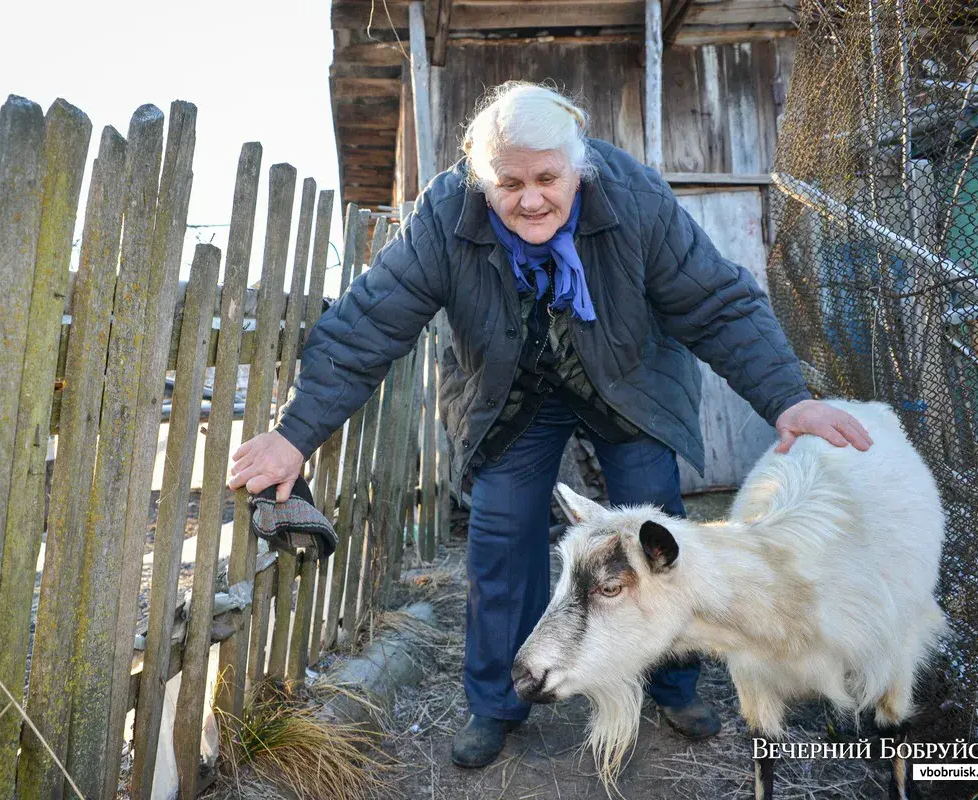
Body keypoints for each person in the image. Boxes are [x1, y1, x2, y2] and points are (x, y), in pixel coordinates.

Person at [228, 82, 873, 768]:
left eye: (547, 178)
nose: (530, 198)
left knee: (653, 532)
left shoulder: (634, 198)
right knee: (500, 538)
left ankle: (671, 682)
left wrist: (786, 398)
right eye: (509, 182)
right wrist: (295, 433)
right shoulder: (444, 216)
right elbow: (368, 324)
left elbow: (716, 303)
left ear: (579, 167)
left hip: (627, 382)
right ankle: (497, 702)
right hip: (511, 393)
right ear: (481, 180)